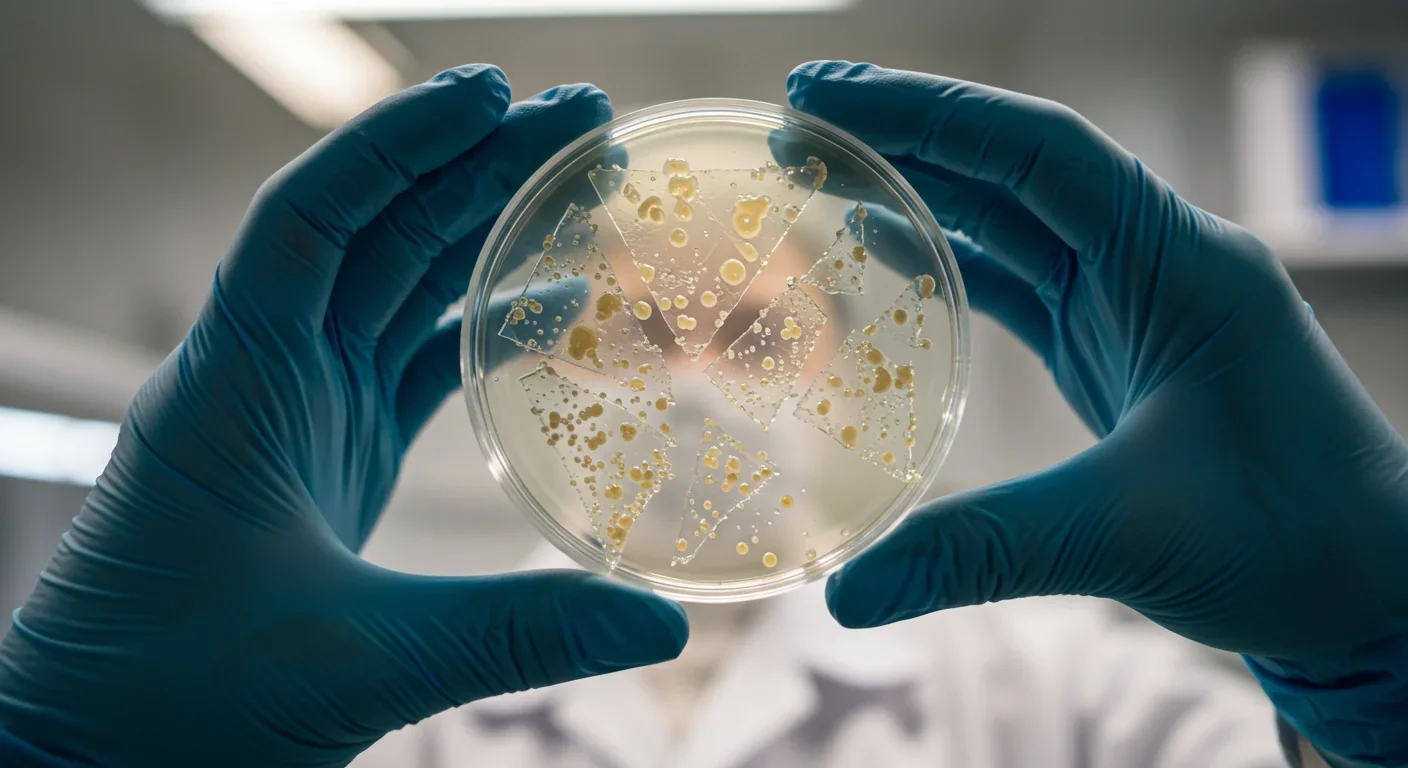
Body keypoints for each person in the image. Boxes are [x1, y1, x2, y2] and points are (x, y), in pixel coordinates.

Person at [0, 59, 1403, 767]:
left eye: (755, 331)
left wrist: (1377, 675)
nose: (687, 378)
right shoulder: (396, 726)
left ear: (843, 365)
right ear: (551, 373)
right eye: (630, 332)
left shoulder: (1058, 690)